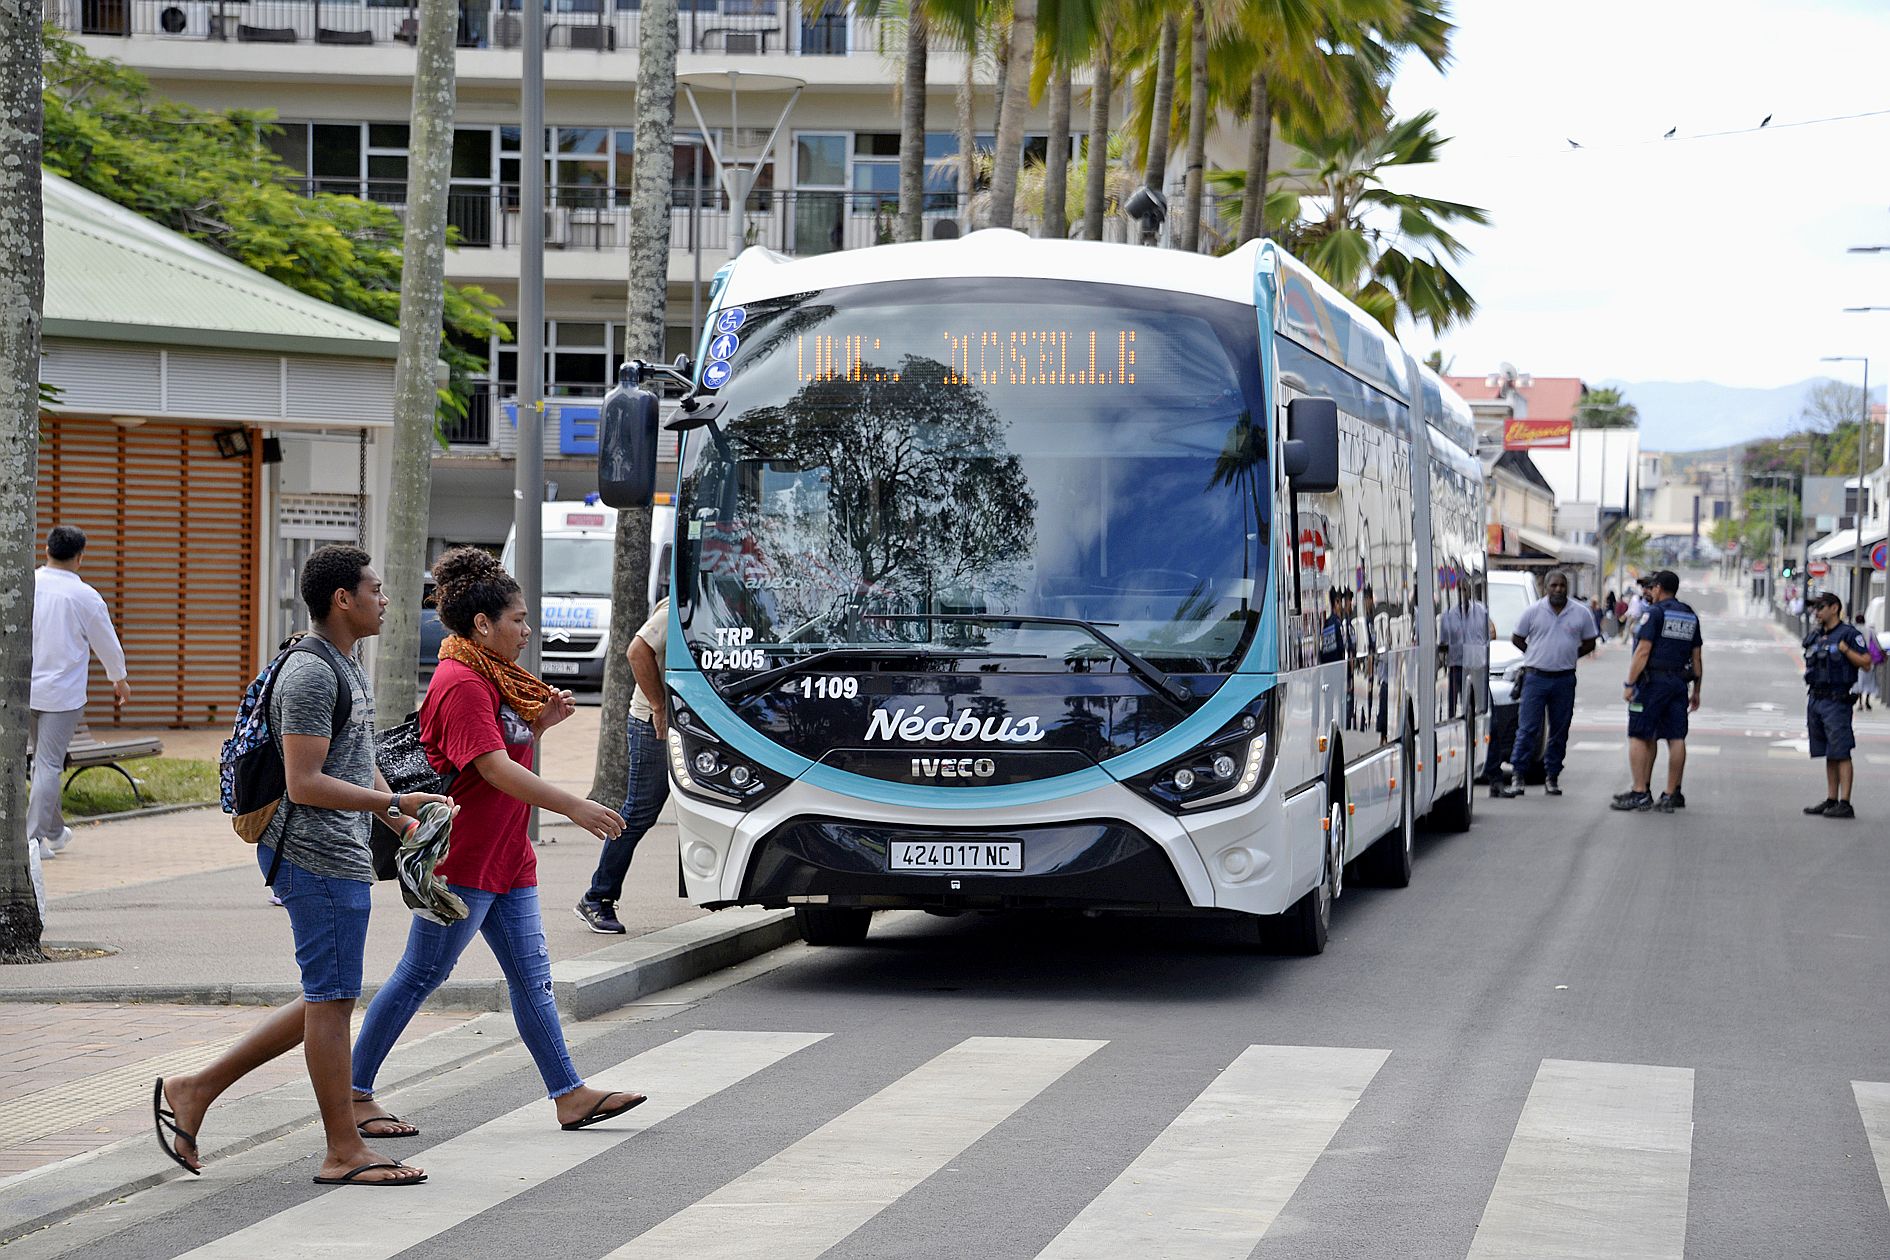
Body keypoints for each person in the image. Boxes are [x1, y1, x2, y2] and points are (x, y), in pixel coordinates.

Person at [154, 545, 450, 1186]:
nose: (386, 598)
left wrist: (397, 823)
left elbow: (352, 757)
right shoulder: (311, 674)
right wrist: (394, 799)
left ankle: (195, 1088)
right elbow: (306, 782)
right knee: (331, 999)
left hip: (339, 850)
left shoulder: (345, 664)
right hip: (312, 855)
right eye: (375, 588)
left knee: (329, 997)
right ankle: (343, 1151)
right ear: (342, 599)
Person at [349, 547, 645, 1132]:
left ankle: (569, 1093)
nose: (528, 632)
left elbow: (500, 751)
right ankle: (354, 1094)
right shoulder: (461, 681)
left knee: (532, 979)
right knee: (420, 975)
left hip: (506, 857)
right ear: (483, 624)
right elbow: (490, 768)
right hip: (461, 861)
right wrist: (576, 805)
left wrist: (538, 724)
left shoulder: (494, 676)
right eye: (518, 621)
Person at [30, 525, 131, 861]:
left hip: (24, 689)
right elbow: (106, 642)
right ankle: (33, 840)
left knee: (42, 764)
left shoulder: (27, 584)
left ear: (46, 550)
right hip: (62, 695)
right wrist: (119, 679)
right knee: (47, 764)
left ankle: (55, 831)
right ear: (80, 557)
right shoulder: (84, 596)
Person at [577, 597, 671, 934]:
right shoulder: (676, 606)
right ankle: (597, 898)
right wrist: (659, 707)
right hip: (653, 724)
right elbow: (636, 651)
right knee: (639, 812)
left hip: (681, 721)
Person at [1496, 569, 1597, 798]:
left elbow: (1590, 642)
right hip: (1535, 678)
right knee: (1527, 729)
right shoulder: (1533, 612)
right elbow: (1517, 638)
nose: (1558, 589)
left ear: (1567, 588)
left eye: (1562, 585)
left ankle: (1552, 777)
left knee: (1559, 730)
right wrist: (1535, 655)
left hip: (1564, 679)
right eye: (1554, 585)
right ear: (1546, 588)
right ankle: (1518, 777)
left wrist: (1570, 655)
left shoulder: (1581, 613)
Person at [1611, 569, 1703, 814]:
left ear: (1660, 588)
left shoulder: (1654, 614)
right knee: (1676, 738)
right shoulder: (1689, 615)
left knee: (1639, 735)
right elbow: (1697, 658)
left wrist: (1629, 684)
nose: (1648, 592)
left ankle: (1640, 792)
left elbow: (1643, 651)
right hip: (1679, 685)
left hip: (1653, 684)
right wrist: (1697, 691)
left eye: (1651, 588)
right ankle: (1672, 794)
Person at [1799, 593, 1873, 819]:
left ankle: (1845, 802)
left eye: (1820, 607)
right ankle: (1831, 799)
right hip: (1816, 698)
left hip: (1837, 699)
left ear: (1834, 608)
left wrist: (1846, 651)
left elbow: (1867, 663)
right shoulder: (1816, 635)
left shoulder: (1849, 634)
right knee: (1829, 752)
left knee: (1841, 751)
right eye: (1814, 608)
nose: (1816, 612)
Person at [1851, 613, 1879, 711]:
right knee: (1870, 681)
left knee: (1859, 681)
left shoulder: (1853, 630)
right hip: (1869, 658)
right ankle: (1867, 701)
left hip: (1855, 658)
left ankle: (1859, 702)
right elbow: (1876, 643)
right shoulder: (1870, 630)